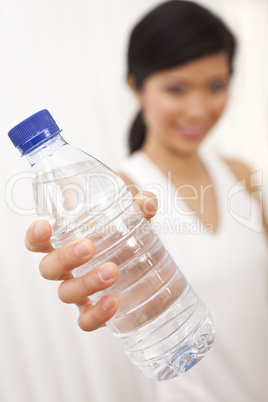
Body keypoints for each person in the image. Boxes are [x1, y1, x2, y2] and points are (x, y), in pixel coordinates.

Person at [26, 1, 268, 401]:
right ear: (135, 86)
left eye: (216, 86)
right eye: (176, 88)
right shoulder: (117, 194)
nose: (199, 109)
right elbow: (100, 278)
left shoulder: (241, 174)